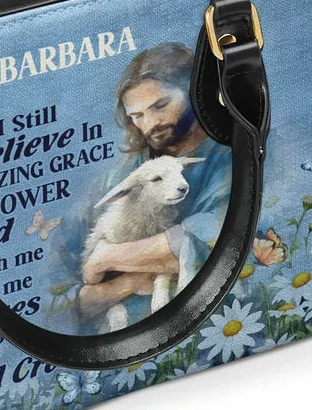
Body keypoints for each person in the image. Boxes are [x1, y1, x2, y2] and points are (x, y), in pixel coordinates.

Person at [77, 42, 232, 329]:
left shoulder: (229, 154)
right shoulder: (122, 173)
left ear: (195, 89)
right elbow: (76, 291)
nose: (150, 124)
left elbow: (218, 239)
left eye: (160, 105)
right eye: (136, 116)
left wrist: (106, 257)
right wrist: (127, 283)